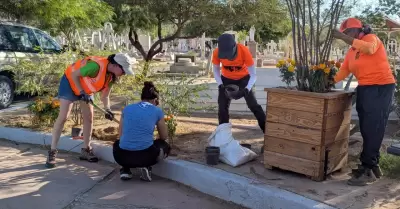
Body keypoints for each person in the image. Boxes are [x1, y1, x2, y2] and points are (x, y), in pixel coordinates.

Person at [332, 17, 396, 186]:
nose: (347, 36)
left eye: (348, 32)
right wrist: (327, 81)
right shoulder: (352, 50)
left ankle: (368, 167)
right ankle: (372, 167)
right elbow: (344, 70)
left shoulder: (370, 39)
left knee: (373, 127)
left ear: (358, 30)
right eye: (345, 33)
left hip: (381, 87)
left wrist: (342, 37)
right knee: (367, 128)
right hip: (365, 88)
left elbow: (369, 49)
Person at [46, 53, 136, 168]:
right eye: (124, 71)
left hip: (85, 90)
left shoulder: (111, 76)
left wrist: (107, 109)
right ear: (116, 65)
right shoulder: (95, 67)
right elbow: (74, 75)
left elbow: (105, 96)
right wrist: (82, 92)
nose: (124, 74)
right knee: (64, 116)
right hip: (69, 83)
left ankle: (86, 150)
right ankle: (52, 151)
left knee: (89, 117)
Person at [112, 81, 171, 181]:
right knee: (164, 145)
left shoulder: (127, 109)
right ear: (155, 100)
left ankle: (125, 169)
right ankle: (146, 166)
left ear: (142, 98)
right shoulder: (157, 111)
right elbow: (164, 136)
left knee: (118, 143)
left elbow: (121, 135)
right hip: (146, 156)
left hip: (121, 156)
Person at [212, 33, 266, 134]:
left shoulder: (244, 51)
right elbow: (215, 71)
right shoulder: (216, 52)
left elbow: (253, 75)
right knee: (222, 106)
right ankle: (224, 135)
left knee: (253, 104)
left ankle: (267, 132)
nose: (227, 58)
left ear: (234, 47)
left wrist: (246, 90)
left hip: (244, 78)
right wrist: (220, 85)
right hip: (226, 79)